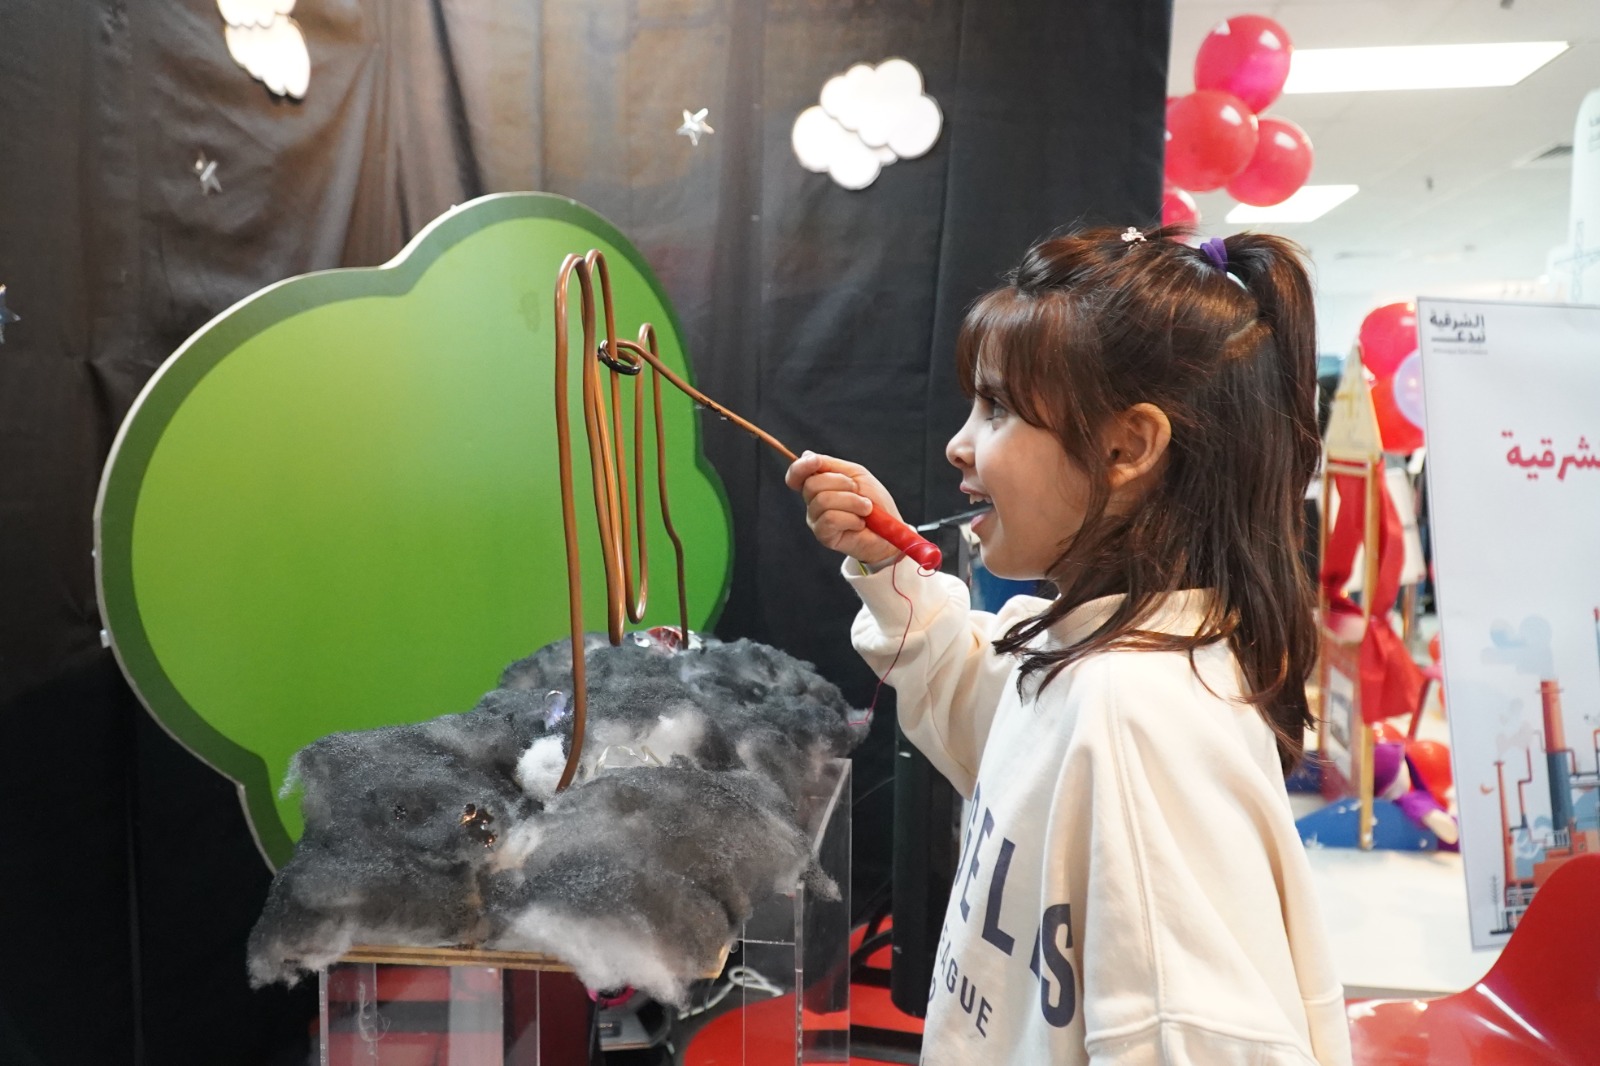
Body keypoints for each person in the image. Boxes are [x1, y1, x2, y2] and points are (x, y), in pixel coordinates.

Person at [786, 225, 1352, 1065]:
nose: (959, 444)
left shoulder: (1135, 716)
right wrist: (885, 560)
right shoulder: (1088, 659)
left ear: (1127, 448)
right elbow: (981, 701)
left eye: (998, 409)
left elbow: (1197, 1041)